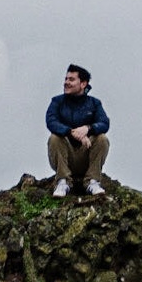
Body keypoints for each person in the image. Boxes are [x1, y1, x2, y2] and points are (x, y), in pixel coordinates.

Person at [46, 64, 110, 197]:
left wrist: (88, 129)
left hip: (86, 155)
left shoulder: (94, 103)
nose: (66, 82)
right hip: (65, 156)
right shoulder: (57, 102)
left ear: (83, 84)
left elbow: (104, 123)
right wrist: (72, 133)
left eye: (71, 79)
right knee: (54, 138)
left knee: (102, 139)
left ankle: (92, 181)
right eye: (66, 79)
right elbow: (51, 122)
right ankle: (63, 182)